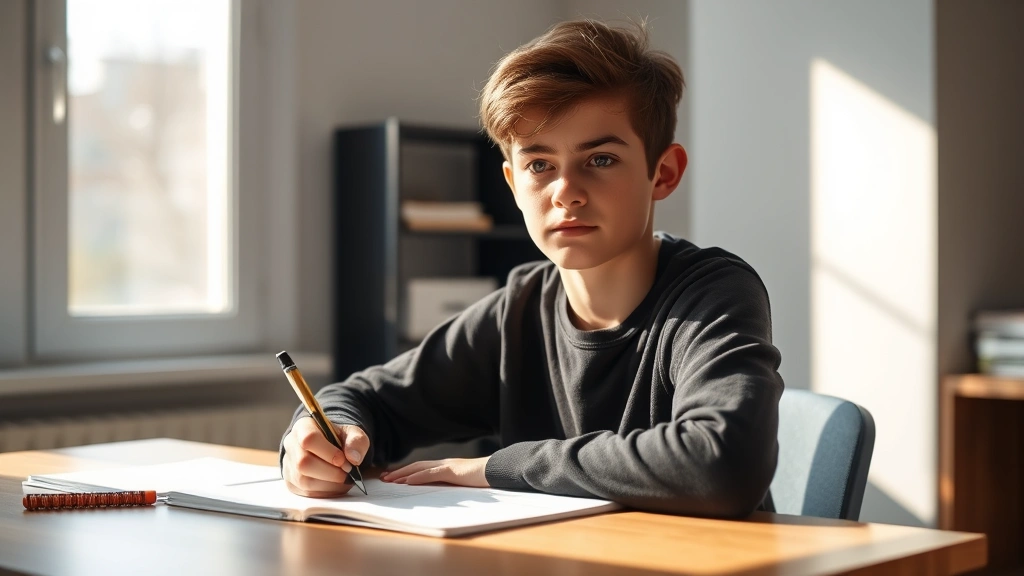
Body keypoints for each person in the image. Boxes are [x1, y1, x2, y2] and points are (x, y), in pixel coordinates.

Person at [280, 18, 784, 518]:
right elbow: (364, 398)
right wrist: (316, 440)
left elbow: (721, 461)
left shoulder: (715, 294)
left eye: (601, 159)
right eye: (540, 165)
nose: (566, 191)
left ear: (664, 172)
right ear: (513, 184)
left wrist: (497, 467)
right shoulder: (520, 309)